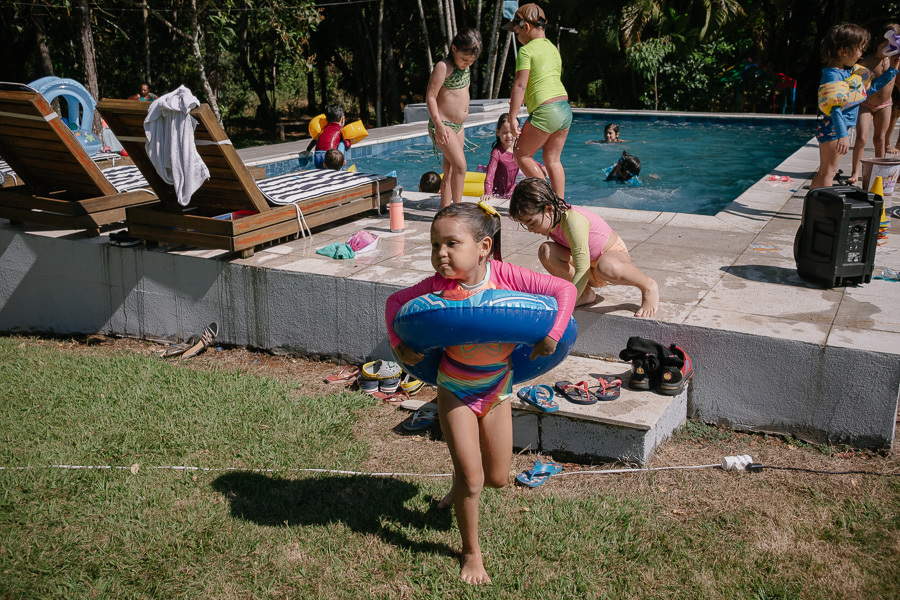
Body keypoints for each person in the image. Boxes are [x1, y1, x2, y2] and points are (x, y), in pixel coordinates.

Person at [385, 202, 576, 585]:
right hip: (455, 387)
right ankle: (471, 552)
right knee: (474, 481)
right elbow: (394, 304)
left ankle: (458, 483)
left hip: (498, 386)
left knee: (497, 478)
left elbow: (564, 290)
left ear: (484, 246)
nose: (441, 253)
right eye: (435, 243)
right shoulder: (438, 287)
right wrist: (398, 345)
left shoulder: (506, 277)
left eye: (452, 244)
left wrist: (552, 336)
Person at [509, 177, 659, 318]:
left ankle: (647, 285)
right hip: (591, 267)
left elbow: (582, 268)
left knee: (606, 265)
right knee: (546, 251)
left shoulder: (572, 221)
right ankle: (585, 294)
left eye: (531, 222)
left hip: (612, 256)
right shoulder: (553, 220)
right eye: (525, 225)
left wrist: (567, 303)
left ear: (548, 209)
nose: (530, 229)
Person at [810, 23, 900, 189]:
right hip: (834, 127)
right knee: (828, 172)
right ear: (845, 51)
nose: (860, 55)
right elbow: (835, 107)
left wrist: (892, 70)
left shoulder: (845, 73)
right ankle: (823, 208)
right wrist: (842, 134)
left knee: (825, 171)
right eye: (859, 49)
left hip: (834, 127)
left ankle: (813, 208)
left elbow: (868, 89)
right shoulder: (833, 75)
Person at [505, 3, 572, 198]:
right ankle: (560, 207)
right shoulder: (553, 49)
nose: (517, 37)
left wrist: (512, 117)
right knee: (553, 160)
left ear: (525, 27)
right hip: (564, 110)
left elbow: (520, 85)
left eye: (516, 31)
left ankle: (547, 199)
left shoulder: (527, 51)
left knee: (521, 154)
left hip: (546, 111)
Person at [425, 28, 482, 209]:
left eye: (471, 61)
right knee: (461, 167)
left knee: (449, 170)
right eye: (464, 59)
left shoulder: (464, 68)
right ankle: (458, 209)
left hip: (458, 126)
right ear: (454, 49)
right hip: (443, 124)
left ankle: (445, 209)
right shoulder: (444, 67)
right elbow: (431, 96)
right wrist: (439, 125)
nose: (467, 63)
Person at [849, 24, 900, 183]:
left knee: (880, 139)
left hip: (885, 104)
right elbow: (861, 88)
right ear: (879, 42)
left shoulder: (894, 62)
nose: (888, 47)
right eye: (885, 43)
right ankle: (855, 172)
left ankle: (881, 171)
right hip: (865, 104)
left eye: (892, 45)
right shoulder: (867, 62)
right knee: (862, 138)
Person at [480, 114, 547, 199]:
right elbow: (490, 174)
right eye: (505, 133)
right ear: (498, 132)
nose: (509, 136)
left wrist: (541, 166)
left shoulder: (517, 150)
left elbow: (527, 159)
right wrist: (488, 192)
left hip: (512, 191)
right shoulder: (497, 153)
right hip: (497, 193)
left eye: (511, 132)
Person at [311, 105, 352, 169]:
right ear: (342, 119)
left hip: (317, 157)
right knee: (342, 142)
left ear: (326, 120)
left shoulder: (323, 129)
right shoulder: (341, 129)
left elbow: (315, 140)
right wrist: (349, 141)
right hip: (331, 158)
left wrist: (308, 150)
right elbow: (347, 145)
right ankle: (341, 165)